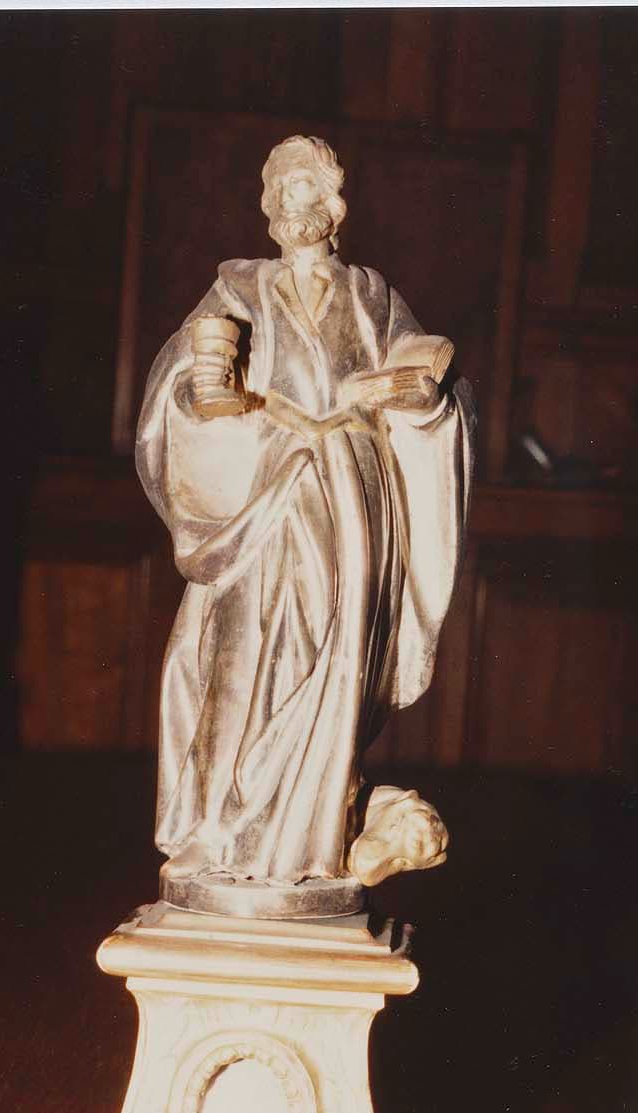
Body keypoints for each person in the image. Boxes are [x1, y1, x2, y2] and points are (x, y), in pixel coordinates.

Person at [136, 135, 473, 892]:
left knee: (332, 657)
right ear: (268, 206)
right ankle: (216, 833)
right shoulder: (237, 288)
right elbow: (179, 385)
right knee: (236, 655)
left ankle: (308, 842)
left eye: (310, 190)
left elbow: (422, 379)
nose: (297, 205)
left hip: (350, 496)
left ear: (335, 203)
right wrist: (203, 395)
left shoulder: (372, 295)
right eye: (284, 191)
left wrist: (421, 399)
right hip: (261, 494)